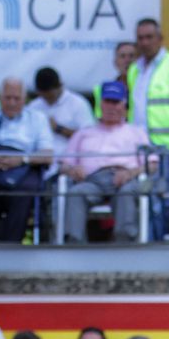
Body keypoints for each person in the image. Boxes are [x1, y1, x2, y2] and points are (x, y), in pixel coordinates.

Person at [60, 81, 157, 244]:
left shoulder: (136, 132)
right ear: (101, 104)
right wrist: (72, 170)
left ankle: (124, 245)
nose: (111, 107)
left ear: (124, 106)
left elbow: (152, 165)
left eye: (116, 102)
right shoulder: (84, 133)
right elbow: (64, 165)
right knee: (75, 193)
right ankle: (74, 246)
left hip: (124, 178)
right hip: (92, 180)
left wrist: (130, 173)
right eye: (107, 101)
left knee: (127, 193)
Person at [0, 78, 54, 243]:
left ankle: (11, 245)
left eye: (16, 98)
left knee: (26, 190)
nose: (12, 103)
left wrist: (22, 159)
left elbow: (47, 155)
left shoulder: (37, 118)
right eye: (8, 98)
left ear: (25, 99)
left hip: (24, 165)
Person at [128, 18, 169, 154]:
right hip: (140, 146)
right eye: (140, 38)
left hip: (167, 148)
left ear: (160, 39)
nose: (145, 42)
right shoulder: (134, 69)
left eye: (149, 37)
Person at [27, 67, 94, 160]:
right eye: (44, 96)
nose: (47, 99)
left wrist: (59, 128)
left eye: (50, 96)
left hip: (69, 164)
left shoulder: (78, 104)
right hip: (38, 164)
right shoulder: (33, 107)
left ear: (60, 86)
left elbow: (89, 139)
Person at [92, 41, 138, 117]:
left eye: (131, 56)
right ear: (115, 62)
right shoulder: (102, 90)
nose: (127, 60)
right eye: (122, 56)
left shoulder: (145, 87)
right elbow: (100, 117)